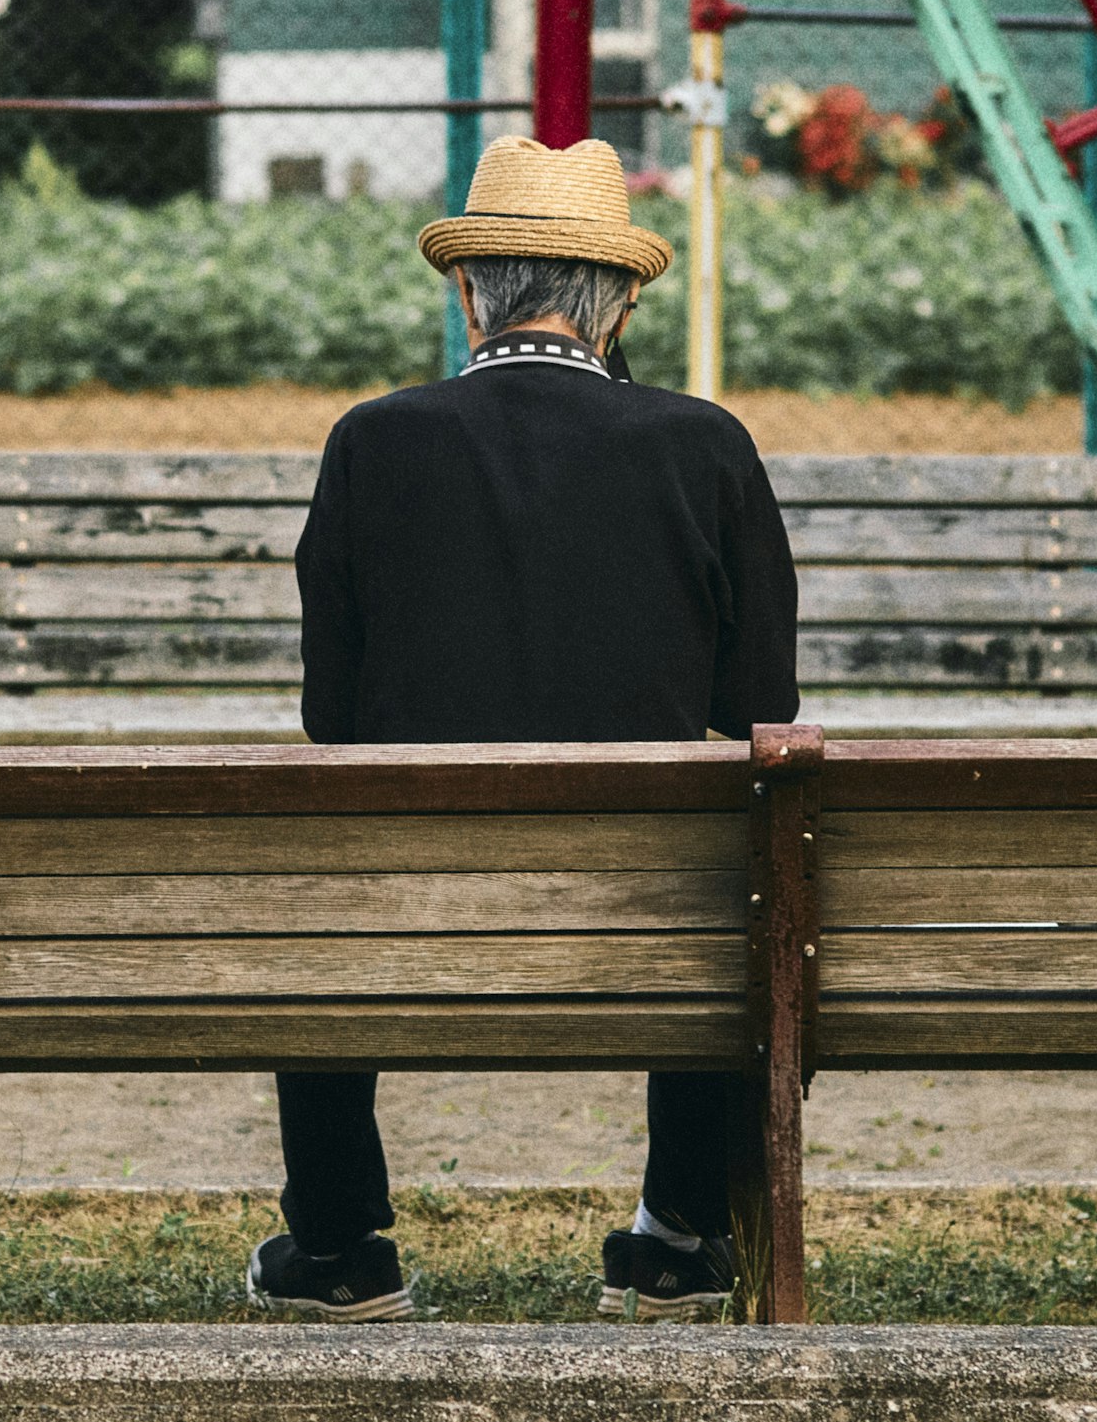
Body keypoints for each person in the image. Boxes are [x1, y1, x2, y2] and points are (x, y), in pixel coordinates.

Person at [245, 135, 800, 1324]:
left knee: (318, 884)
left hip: (411, 907)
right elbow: (760, 709)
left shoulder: (372, 439)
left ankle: (340, 1244)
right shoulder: (705, 445)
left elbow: (327, 717)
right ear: (625, 301)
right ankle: (678, 1237)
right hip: (646, 917)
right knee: (730, 872)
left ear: (465, 290)